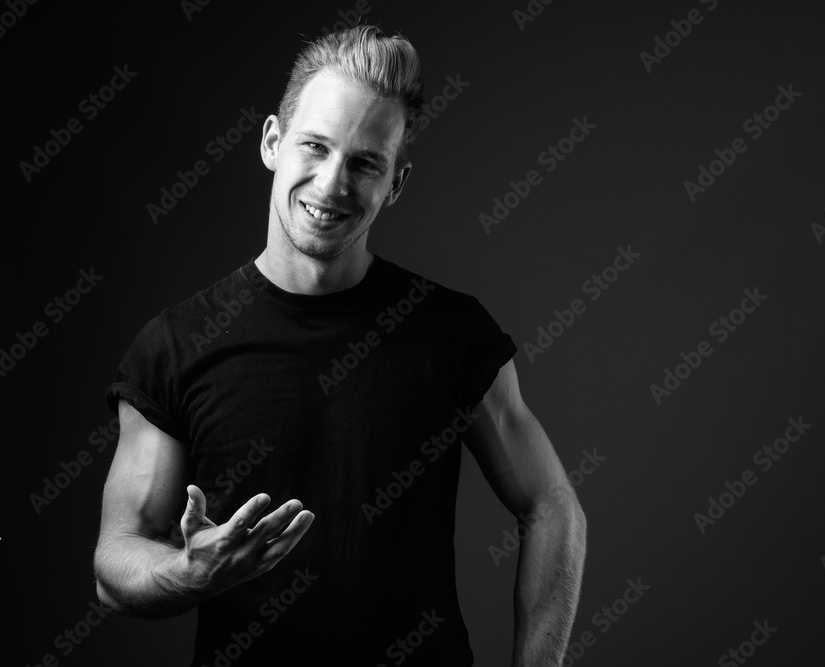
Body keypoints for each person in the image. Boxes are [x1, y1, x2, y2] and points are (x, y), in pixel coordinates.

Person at [93, 25, 587, 666]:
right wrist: (193, 572)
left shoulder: (452, 334)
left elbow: (553, 508)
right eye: (315, 147)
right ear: (273, 142)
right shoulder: (177, 345)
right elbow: (114, 567)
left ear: (397, 182)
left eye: (364, 163)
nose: (331, 185)